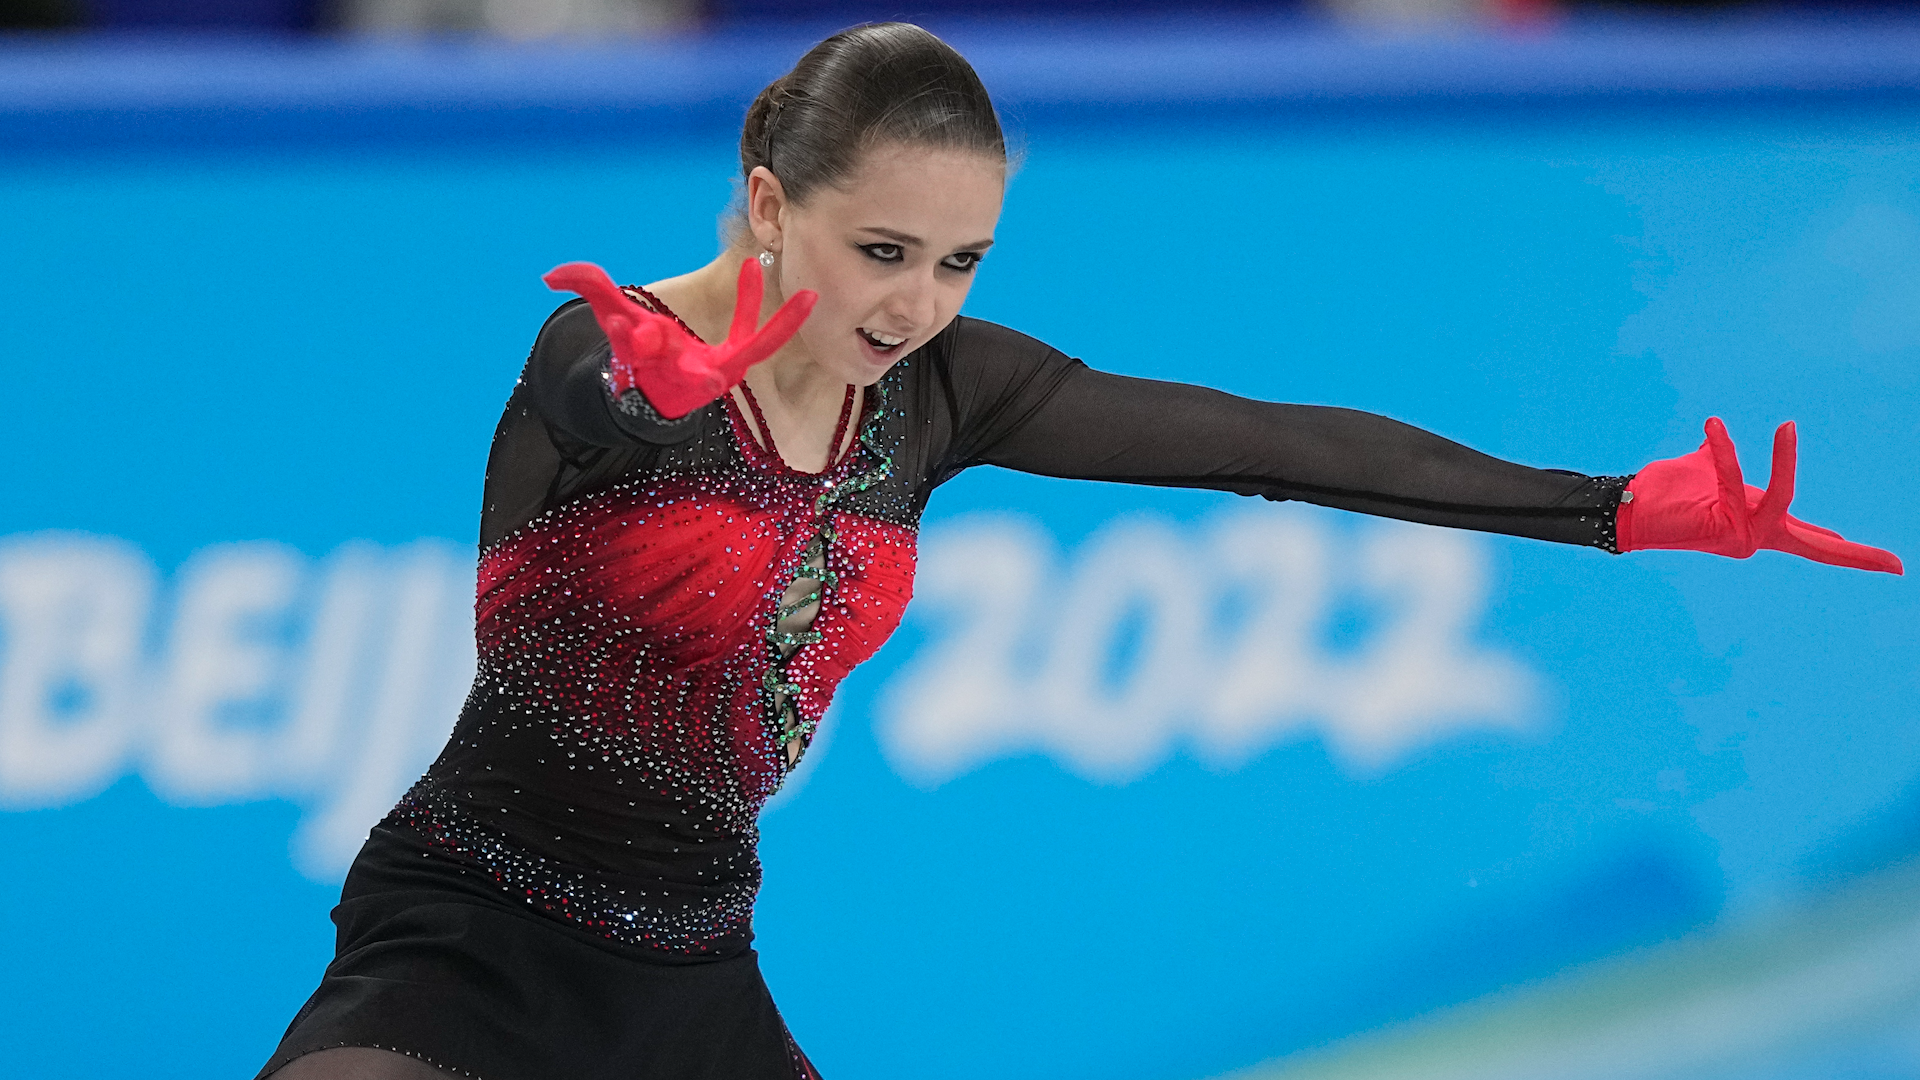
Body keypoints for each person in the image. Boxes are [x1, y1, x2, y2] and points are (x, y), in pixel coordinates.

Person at [257, 21, 1901, 1080]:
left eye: (959, 260)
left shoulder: (947, 392)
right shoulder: (615, 350)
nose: (916, 305)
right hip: (458, 938)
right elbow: (583, 389)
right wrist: (639, 387)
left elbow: (1274, 446)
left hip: (693, 966)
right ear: (770, 204)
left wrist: (1605, 506)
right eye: (880, 250)